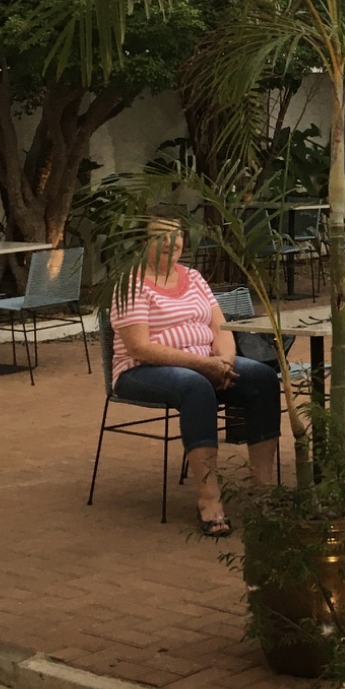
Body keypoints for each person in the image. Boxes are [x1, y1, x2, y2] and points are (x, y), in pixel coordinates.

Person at [110, 211, 280, 536]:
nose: (170, 242)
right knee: (196, 387)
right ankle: (209, 498)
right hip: (142, 370)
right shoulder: (130, 284)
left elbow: (220, 327)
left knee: (262, 378)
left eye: (176, 235)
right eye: (160, 236)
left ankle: (264, 490)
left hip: (206, 363)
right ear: (142, 242)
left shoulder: (194, 277)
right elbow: (140, 348)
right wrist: (204, 366)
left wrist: (225, 362)